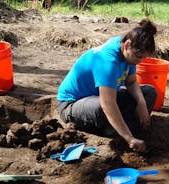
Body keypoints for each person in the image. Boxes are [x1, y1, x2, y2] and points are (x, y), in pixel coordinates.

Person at [57, 19, 158, 152]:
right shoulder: (108, 62)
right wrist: (129, 138)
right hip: (71, 105)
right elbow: (107, 104)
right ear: (127, 45)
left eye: (143, 58)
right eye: (138, 56)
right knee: (102, 108)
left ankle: (117, 128)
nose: (139, 62)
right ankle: (116, 133)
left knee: (149, 93)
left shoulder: (126, 51)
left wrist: (141, 103)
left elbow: (131, 81)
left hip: (98, 97)